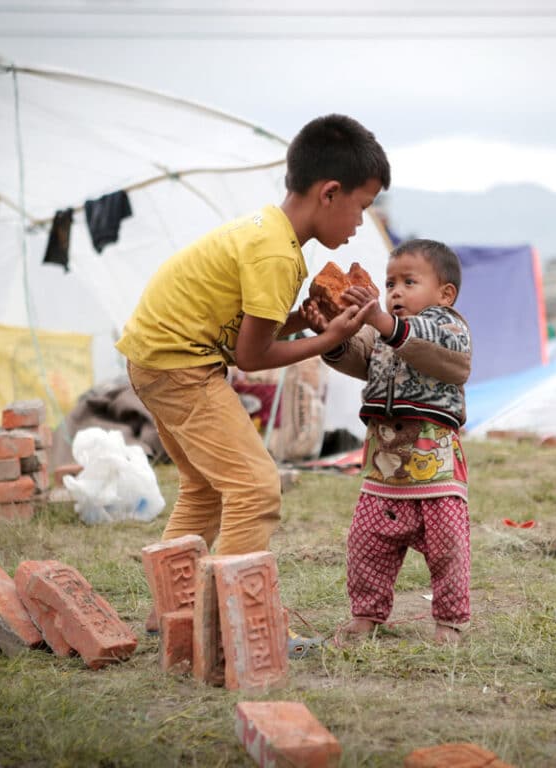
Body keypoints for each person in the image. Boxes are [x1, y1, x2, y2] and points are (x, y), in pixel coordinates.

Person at [115, 114, 391, 650]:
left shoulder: (269, 234)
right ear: (330, 193)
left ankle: (172, 613)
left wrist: (301, 321)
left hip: (156, 357)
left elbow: (250, 330)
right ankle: (230, 628)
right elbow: (252, 354)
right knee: (255, 488)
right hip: (180, 365)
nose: (361, 222)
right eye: (362, 205)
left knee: (204, 489)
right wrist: (327, 334)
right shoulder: (275, 254)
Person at [308, 238, 472, 645]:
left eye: (408, 282)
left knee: (448, 548)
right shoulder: (383, 334)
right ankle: (366, 614)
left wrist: (385, 323)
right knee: (366, 544)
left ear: (444, 293)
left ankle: (448, 620)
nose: (395, 291)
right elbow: (358, 354)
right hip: (383, 466)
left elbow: (438, 354)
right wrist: (331, 335)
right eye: (390, 282)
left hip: (435, 470)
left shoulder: (449, 327)